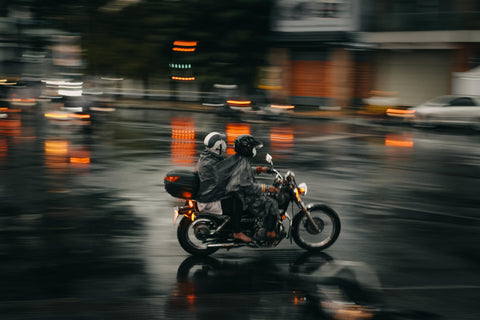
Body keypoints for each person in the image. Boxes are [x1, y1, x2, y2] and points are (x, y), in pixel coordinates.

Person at [223, 134, 280, 240]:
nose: (254, 150)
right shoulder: (243, 163)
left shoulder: (239, 159)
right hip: (244, 196)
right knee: (272, 203)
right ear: (247, 148)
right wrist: (267, 188)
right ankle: (270, 232)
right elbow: (249, 187)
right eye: (253, 148)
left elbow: (246, 172)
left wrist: (259, 169)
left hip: (236, 192)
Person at [195, 131, 228, 215]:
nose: (225, 144)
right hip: (211, 199)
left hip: (206, 194)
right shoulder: (212, 162)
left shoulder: (206, 157)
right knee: (238, 200)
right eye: (223, 141)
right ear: (218, 146)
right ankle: (236, 227)